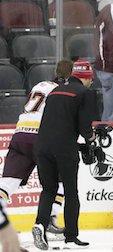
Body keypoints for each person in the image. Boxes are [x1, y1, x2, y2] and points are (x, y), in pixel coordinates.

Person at [31, 59, 98, 250]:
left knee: (48, 189)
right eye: (91, 78)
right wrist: (92, 139)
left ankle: (40, 225)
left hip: (42, 146)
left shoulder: (54, 91)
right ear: (85, 78)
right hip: (64, 148)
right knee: (71, 192)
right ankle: (71, 236)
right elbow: (85, 129)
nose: (91, 82)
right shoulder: (85, 93)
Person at [0, 60, 71, 235]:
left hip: (20, 134)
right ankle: (49, 220)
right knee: (59, 180)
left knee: (8, 182)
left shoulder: (41, 85)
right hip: (41, 137)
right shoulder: (64, 91)